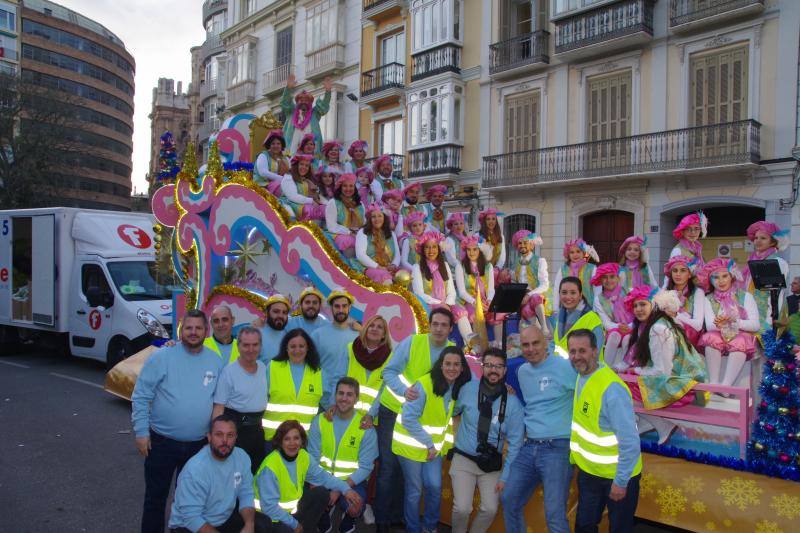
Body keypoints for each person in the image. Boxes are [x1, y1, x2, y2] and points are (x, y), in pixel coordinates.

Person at [131, 309, 226, 533]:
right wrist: (141, 432)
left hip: (198, 446)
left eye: (198, 328)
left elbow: (218, 402)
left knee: (189, 501)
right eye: (189, 328)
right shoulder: (162, 357)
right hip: (161, 443)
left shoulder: (215, 361)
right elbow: (141, 395)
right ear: (181, 330)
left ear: (206, 331)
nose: (193, 332)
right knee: (155, 498)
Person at [375, 308, 456, 532]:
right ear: (429, 324)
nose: (438, 329)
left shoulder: (452, 351)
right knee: (389, 468)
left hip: (421, 420)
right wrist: (404, 391)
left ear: (451, 329)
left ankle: (399, 517)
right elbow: (388, 372)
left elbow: (461, 382)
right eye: (435, 323)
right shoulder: (412, 342)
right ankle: (382, 521)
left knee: (409, 475)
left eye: (444, 325)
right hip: (394, 410)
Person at [501, 326, 577, 533]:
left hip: (558, 447)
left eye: (535, 343)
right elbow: (531, 404)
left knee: (554, 515)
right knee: (509, 498)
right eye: (525, 345)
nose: (531, 349)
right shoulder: (522, 371)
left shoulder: (566, 367)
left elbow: (587, 393)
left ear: (546, 343)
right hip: (529, 446)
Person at [567, 329, 642, 533]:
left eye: (582, 350)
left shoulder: (612, 389)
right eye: (572, 351)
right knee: (584, 526)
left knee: (619, 529)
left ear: (595, 351)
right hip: (590, 474)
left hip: (617, 477)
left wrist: (620, 482)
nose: (577, 356)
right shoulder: (582, 376)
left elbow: (630, 442)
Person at [393, 347, 472, 533]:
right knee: (415, 490)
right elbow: (408, 419)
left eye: (456, 364)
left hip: (433, 449)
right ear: (440, 365)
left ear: (462, 368)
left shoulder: (458, 387)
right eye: (447, 364)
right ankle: (413, 529)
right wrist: (429, 444)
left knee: (435, 486)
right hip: (410, 446)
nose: (451, 368)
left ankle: (429, 527)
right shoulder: (423, 385)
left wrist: (506, 389)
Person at [450, 348, 524, 533]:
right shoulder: (468, 389)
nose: (493, 370)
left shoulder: (513, 404)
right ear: (482, 367)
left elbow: (516, 444)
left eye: (498, 366)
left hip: (491, 463)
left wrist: (505, 477)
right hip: (464, 457)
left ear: (505, 370)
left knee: (490, 509)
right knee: (462, 508)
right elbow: (452, 411)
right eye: (489, 365)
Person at [624, 289, 707, 445]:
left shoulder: (658, 329)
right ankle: (647, 422)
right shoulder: (657, 324)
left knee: (622, 389)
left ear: (654, 305)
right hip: (679, 379)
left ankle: (663, 425)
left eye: (643, 304)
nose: (638, 309)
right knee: (625, 380)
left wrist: (635, 370)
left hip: (679, 384)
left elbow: (661, 371)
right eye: (635, 306)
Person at [254, 420, 363, 532]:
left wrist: (346, 490)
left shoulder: (303, 456)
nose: (292, 443)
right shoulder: (270, 467)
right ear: (280, 442)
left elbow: (324, 477)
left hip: (290, 511)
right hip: (268, 517)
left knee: (321, 493)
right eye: (287, 439)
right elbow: (269, 507)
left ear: (302, 440)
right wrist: (295, 524)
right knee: (287, 530)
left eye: (296, 438)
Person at [308, 377, 379, 533]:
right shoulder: (320, 421)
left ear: (356, 398)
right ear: (335, 396)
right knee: (315, 497)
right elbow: (312, 458)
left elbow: (366, 467)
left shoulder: (365, 428)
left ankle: (348, 520)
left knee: (355, 506)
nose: (344, 398)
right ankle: (324, 515)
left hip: (352, 481)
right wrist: (315, 483)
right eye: (341, 393)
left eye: (349, 394)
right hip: (323, 478)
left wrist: (340, 489)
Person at [168, 414, 256, 533]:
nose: (225, 441)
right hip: (188, 526)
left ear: (236, 437)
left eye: (230, 435)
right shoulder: (195, 470)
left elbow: (246, 493)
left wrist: (249, 524)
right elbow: (191, 518)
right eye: (219, 434)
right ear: (209, 437)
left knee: (263, 524)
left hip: (222, 519)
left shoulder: (242, 457)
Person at [212, 327, 268, 472]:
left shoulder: (264, 368)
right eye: (246, 345)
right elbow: (219, 407)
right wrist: (216, 437)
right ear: (238, 346)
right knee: (233, 474)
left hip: (258, 432)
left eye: (255, 345)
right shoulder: (228, 372)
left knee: (255, 474)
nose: (251, 349)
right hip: (236, 432)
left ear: (260, 346)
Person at [697, 258, 759, 386]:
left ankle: (726, 385)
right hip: (718, 335)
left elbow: (755, 325)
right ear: (710, 280)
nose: (721, 281)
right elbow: (710, 325)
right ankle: (714, 383)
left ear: (732, 276)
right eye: (716, 277)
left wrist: (734, 322)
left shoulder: (745, 296)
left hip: (740, 335)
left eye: (725, 276)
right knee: (711, 337)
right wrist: (723, 324)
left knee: (740, 341)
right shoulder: (708, 299)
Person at [261, 328, 324, 443]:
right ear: (286, 348)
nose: (297, 350)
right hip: (274, 437)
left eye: (301, 346)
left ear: (308, 348)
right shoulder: (273, 367)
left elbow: (326, 402)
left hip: (303, 439)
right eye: (293, 346)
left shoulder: (317, 372)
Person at [327, 315, 393, 421]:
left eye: (379, 327)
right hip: (344, 413)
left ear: (384, 335)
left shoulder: (391, 358)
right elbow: (338, 379)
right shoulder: (350, 349)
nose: (374, 329)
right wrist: (333, 403)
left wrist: (371, 415)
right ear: (365, 329)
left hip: (370, 420)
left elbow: (384, 391)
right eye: (371, 325)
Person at [411, 231, 473, 341]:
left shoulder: (444, 265)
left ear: (439, 249)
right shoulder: (417, 267)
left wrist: (447, 304)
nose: (431, 251)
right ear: (422, 250)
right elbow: (419, 294)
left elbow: (451, 291)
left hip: (446, 303)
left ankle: (470, 343)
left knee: (461, 314)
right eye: (427, 247)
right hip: (428, 304)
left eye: (434, 247)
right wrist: (439, 304)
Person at [743, 221, 790, 333]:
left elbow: (776, 292)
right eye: (756, 238)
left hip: (767, 314)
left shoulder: (778, 262)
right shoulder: (752, 260)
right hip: (751, 312)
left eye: (763, 238)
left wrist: (770, 319)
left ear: (773, 242)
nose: (758, 241)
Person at [455, 235, 497, 347]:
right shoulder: (460, 266)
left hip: (484, 301)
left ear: (480, 250)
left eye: (475, 249)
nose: (471, 252)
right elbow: (462, 292)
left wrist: (489, 301)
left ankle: (499, 343)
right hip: (468, 301)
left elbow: (491, 289)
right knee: (475, 314)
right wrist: (476, 302)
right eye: (468, 250)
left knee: (498, 313)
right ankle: (474, 346)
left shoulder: (488, 266)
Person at [311, 289, 361, 385]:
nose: (341, 310)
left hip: (349, 392)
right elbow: (309, 366)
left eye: (344, 306)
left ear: (350, 307)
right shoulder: (318, 335)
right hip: (322, 391)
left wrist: (362, 331)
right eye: (337, 306)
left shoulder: (358, 335)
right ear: (331, 308)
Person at [591, 263, 632, 371]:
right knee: (614, 335)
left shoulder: (629, 292)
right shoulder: (598, 299)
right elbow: (606, 322)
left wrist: (630, 327)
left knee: (628, 339)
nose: (608, 280)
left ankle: (626, 369)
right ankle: (606, 369)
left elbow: (638, 316)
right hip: (614, 329)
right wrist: (619, 326)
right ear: (600, 280)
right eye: (605, 277)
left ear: (618, 278)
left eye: (612, 277)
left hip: (632, 328)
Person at [552, 277, 605, 360]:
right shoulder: (559, 317)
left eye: (573, 293)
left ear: (580, 295)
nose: (568, 297)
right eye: (564, 292)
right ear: (559, 294)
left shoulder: (593, 319)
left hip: (586, 367)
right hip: (560, 366)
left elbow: (595, 353)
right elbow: (556, 345)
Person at [280, 73, 332, 155]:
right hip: (291, 153)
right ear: (297, 102)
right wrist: (288, 89)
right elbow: (285, 103)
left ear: (311, 103)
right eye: (301, 100)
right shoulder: (291, 112)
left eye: (307, 100)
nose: (304, 102)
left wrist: (328, 92)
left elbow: (324, 106)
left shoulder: (314, 113)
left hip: (311, 155)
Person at [511, 230, 550, 335]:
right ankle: (539, 331)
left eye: (525, 242)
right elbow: (514, 282)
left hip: (537, 294)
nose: (522, 245)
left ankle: (545, 327)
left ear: (532, 245)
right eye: (520, 243)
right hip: (522, 296)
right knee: (526, 310)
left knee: (535, 298)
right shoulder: (516, 263)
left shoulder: (540, 261)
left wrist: (529, 294)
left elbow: (545, 284)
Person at [663, 256, 705, 349]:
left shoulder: (697, 292)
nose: (678, 274)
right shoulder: (665, 291)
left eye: (683, 270)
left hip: (689, 334)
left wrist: (676, 315)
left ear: (689, 274)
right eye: (675, 271)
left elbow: (698, 325)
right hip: (666, 329)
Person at [355, 203, 402, 285]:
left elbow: (397, 254)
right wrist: (378, 267)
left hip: (389, 267)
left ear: (384, 218)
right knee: (384, 276)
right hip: (371, 267)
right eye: (373, 217)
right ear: (369, 219)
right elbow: (360, 255)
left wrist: (394, 265)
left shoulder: (391, 234)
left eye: (380, 216)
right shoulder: (362, 232)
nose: (377, 219)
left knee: (405, 275)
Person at [552, 238, 599, 311]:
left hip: (587, 308)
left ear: (584, 253)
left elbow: (597, 291)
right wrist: (556, 308)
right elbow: (557, 289)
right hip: (567, 309)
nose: (575, 255)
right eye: (572, 252)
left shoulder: (592, 269)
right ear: (568, 254)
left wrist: (596, 310)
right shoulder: (563, 270)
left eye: (578, 251)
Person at [325, 173, 364, 256]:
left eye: (351, 186)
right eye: (345, 186)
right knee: (346, 241)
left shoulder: (360, 204)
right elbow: (331, 226)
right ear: (340, 187)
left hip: (357, 234)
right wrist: (349, 232)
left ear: (355, 188)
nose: (348, 189)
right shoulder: (333, 203)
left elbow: (364, 222)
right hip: (339, 234)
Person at [281, 154, 326, 222]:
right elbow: (292, 197)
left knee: (325, 208)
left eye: (306, 166)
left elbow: (315, 194)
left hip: (304, 203)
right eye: (301, 164)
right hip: (291, 205)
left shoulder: (305, 179)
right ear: (296, 165)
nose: (304, 167)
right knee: (310, 210)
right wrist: (311, 201)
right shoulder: (288, 178)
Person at [256, 294, 291, 363]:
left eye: (284, 312)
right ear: (266, 312)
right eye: (276, 311)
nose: (280, 316)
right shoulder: (255, 335)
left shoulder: (290, 336)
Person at [254, 129, 289, 196]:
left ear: (282, 145)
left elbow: (291, 172)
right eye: (273, 144)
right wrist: (282, 179)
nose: (276, 146)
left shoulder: (285, 158)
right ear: (269, 145)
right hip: (264, 186)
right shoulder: (263, 156)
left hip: (283, 183)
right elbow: (263, 173)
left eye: (278, 144)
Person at [476, 208, 506, 274]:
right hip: (481, 271)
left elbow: (502, 256)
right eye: (488, 219)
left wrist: (497, 268)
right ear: (484, 221)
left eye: (493, 219)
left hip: (496, 271)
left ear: (496, 221)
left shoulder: (501, 236)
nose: (491, 221)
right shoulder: (477, 235)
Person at [787, 276, 800, 340]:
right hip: (791, 333)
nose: (791, 285)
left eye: (795, 283)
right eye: (792, 283)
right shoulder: (788, 299)